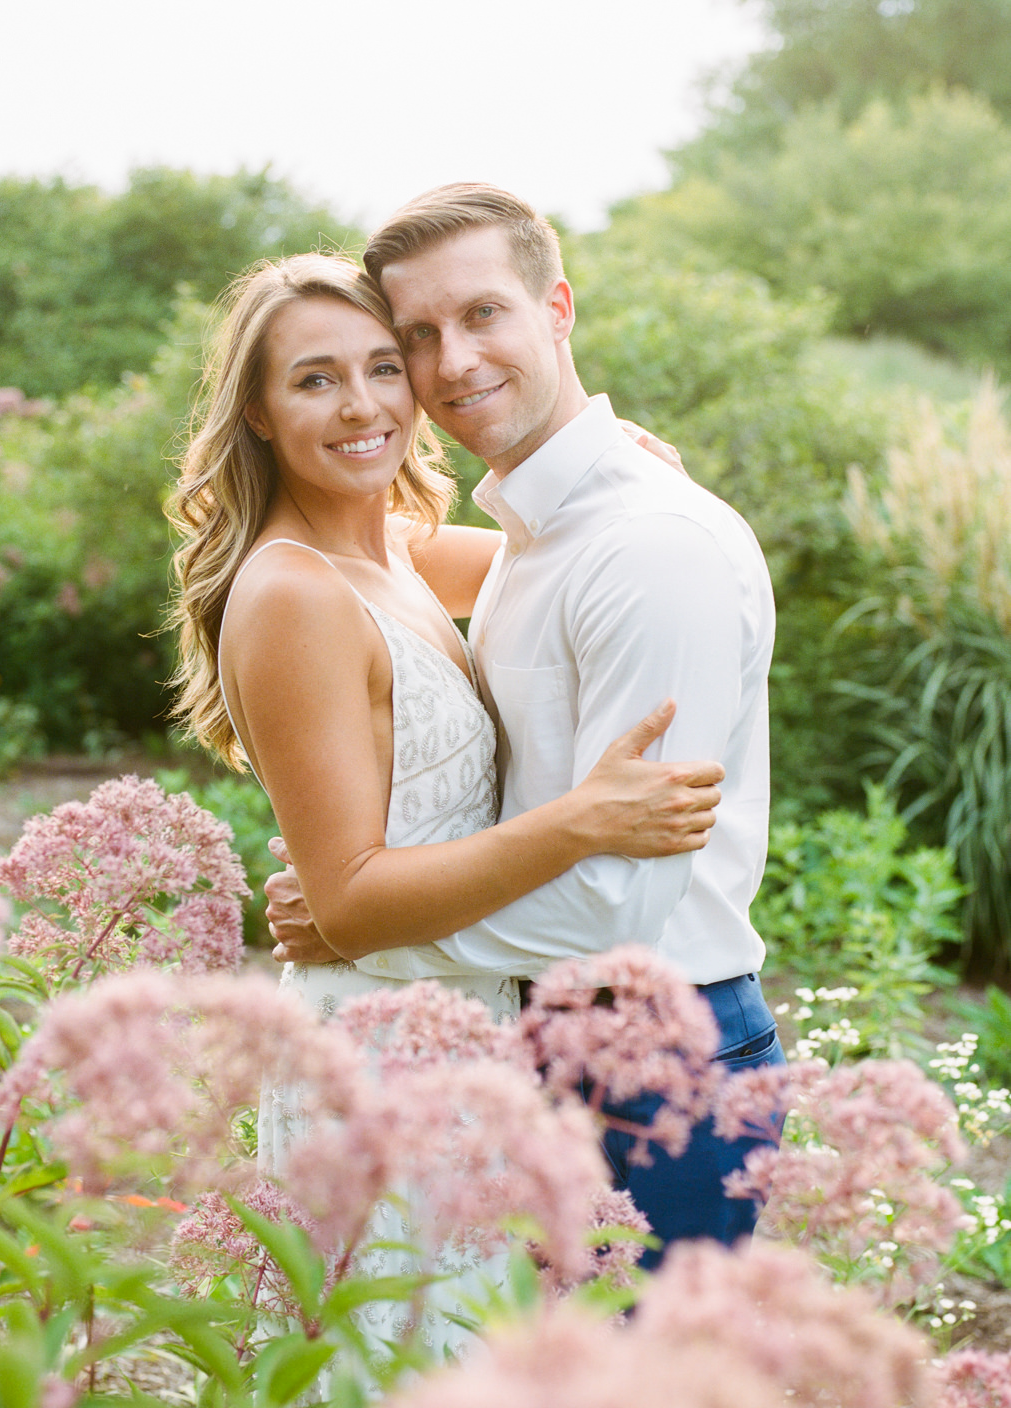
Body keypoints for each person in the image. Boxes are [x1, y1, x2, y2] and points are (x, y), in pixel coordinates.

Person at [165, 253, 726, 1312]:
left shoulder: (398, 553)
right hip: (382, 1066)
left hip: (467, 1040)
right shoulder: (293, 593)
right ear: (256, 411)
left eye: (384, 366)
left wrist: (634, 467)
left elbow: (581, 542)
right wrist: (579, 822)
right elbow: (350, 902)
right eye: (315, 379)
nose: (364, 403)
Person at [266, 185, 785, 1267]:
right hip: (522, 1050)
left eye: (483, 315)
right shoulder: (535, 531)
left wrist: (362, 921)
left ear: (556, 307)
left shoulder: (647, 545)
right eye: (417, 335)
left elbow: (616, 910)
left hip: (648, 1058)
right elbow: (364, 560)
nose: (450, 361)